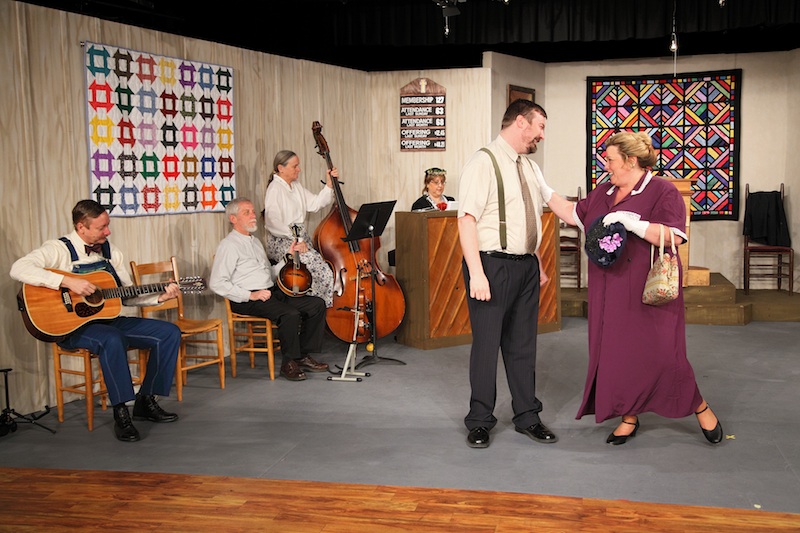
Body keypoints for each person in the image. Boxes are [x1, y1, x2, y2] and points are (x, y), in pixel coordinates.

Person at [538, 131, 724, 445]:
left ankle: (699, 406)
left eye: (610, 160)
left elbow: (675, 236)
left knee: (664, 355)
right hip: (608, 288)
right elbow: (574, 214)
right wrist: (542, 188)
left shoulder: (662, 191)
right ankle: (629, 417)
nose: (606, 165)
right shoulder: (604, 191)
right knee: (618, 354)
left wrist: (633, 223)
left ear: (631, 161)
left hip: (646, 290)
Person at [10, 199, 182, 443]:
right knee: (112, 339)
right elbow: (18, 268)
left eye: (107, 225)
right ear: (81, 227)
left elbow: (126, 296)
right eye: (102, 227)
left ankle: (146, 400)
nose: (108, 232)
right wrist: (68, 282)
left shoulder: (112, 252)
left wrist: (159, 297)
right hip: (72, 328)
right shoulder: (58, 249)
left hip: (108, 320)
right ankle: (121, 412)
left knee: (169, 333)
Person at [457, 99, 558, 449]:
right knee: (487, 346)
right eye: (540, 127)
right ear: (521, 122)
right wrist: (476, 274)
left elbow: (530, 215)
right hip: (491, 265)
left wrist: (537, 261)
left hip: (526, 266)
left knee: (523, 345)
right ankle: (479, 421)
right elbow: (466, 220)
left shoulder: (529, 167)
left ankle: (528, 416)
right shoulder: (483, 162)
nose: (542, 135)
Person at [210, 197, 328, 381]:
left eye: (253, 211)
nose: (253, 216)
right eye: (247, 213)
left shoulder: (255, 242)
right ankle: (288, 363)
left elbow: (270, 274)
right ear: (233, 219)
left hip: (270, 292)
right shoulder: (228, 246)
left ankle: (302, 355)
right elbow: (217, 282)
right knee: (290, 314)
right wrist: (250, 295)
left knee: (316, 305)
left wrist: (288, 256)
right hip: (248, 300)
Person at [263, 150, 336, 308]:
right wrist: (296, 239)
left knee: (322, 265)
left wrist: (329, 185)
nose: (299, 169)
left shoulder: (296, 186)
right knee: (310, 264)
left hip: (300, 240)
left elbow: (315, 204)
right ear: (281, 168)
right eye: (294, 166)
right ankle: (311, 308)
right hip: (283, 241)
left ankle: (322, 310)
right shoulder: (275, 189)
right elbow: (273, 223)